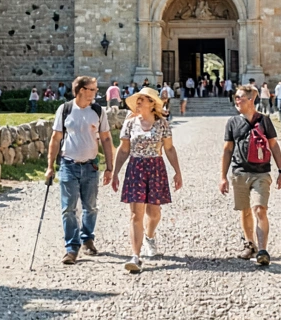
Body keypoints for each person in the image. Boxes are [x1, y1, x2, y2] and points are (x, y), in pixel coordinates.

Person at [45, 76, 116, 265]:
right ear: (81, 90)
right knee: (68, 208)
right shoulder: (65, 109)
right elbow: (55, 138)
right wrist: (50, 166)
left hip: (91, 165)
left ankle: (87, 239)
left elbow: (106, 139)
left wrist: (110, 167)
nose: (95, 92)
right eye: (92, 89)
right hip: (68, 164)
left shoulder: (98, 111)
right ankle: (71, 248)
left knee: (90, 207)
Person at [112, 87, 183, 274]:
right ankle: (135, 256)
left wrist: (177, 171)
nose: (139, 101)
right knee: (136, 214)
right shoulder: (130, 124)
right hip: (135, 168)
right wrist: (115, 172)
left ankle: (149, 236)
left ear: (152, 104)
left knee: (153, 212)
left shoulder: (162, 124)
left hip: (156, 168)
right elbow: (124, 149)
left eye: (143, 99)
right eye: (138, 99)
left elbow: (169, 149)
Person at [220, 85, 281, 266]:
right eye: (236, 97)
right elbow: (227, 150)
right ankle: (250, 244)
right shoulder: (232, 122)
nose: (236, 100)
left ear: (251, 99)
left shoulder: (265, 121)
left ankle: (263, 250)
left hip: (261, 172)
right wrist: (223, 177)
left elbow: (274, 146)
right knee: (245, 210)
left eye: (240, 97)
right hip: (239, 172)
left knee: (260, 208)